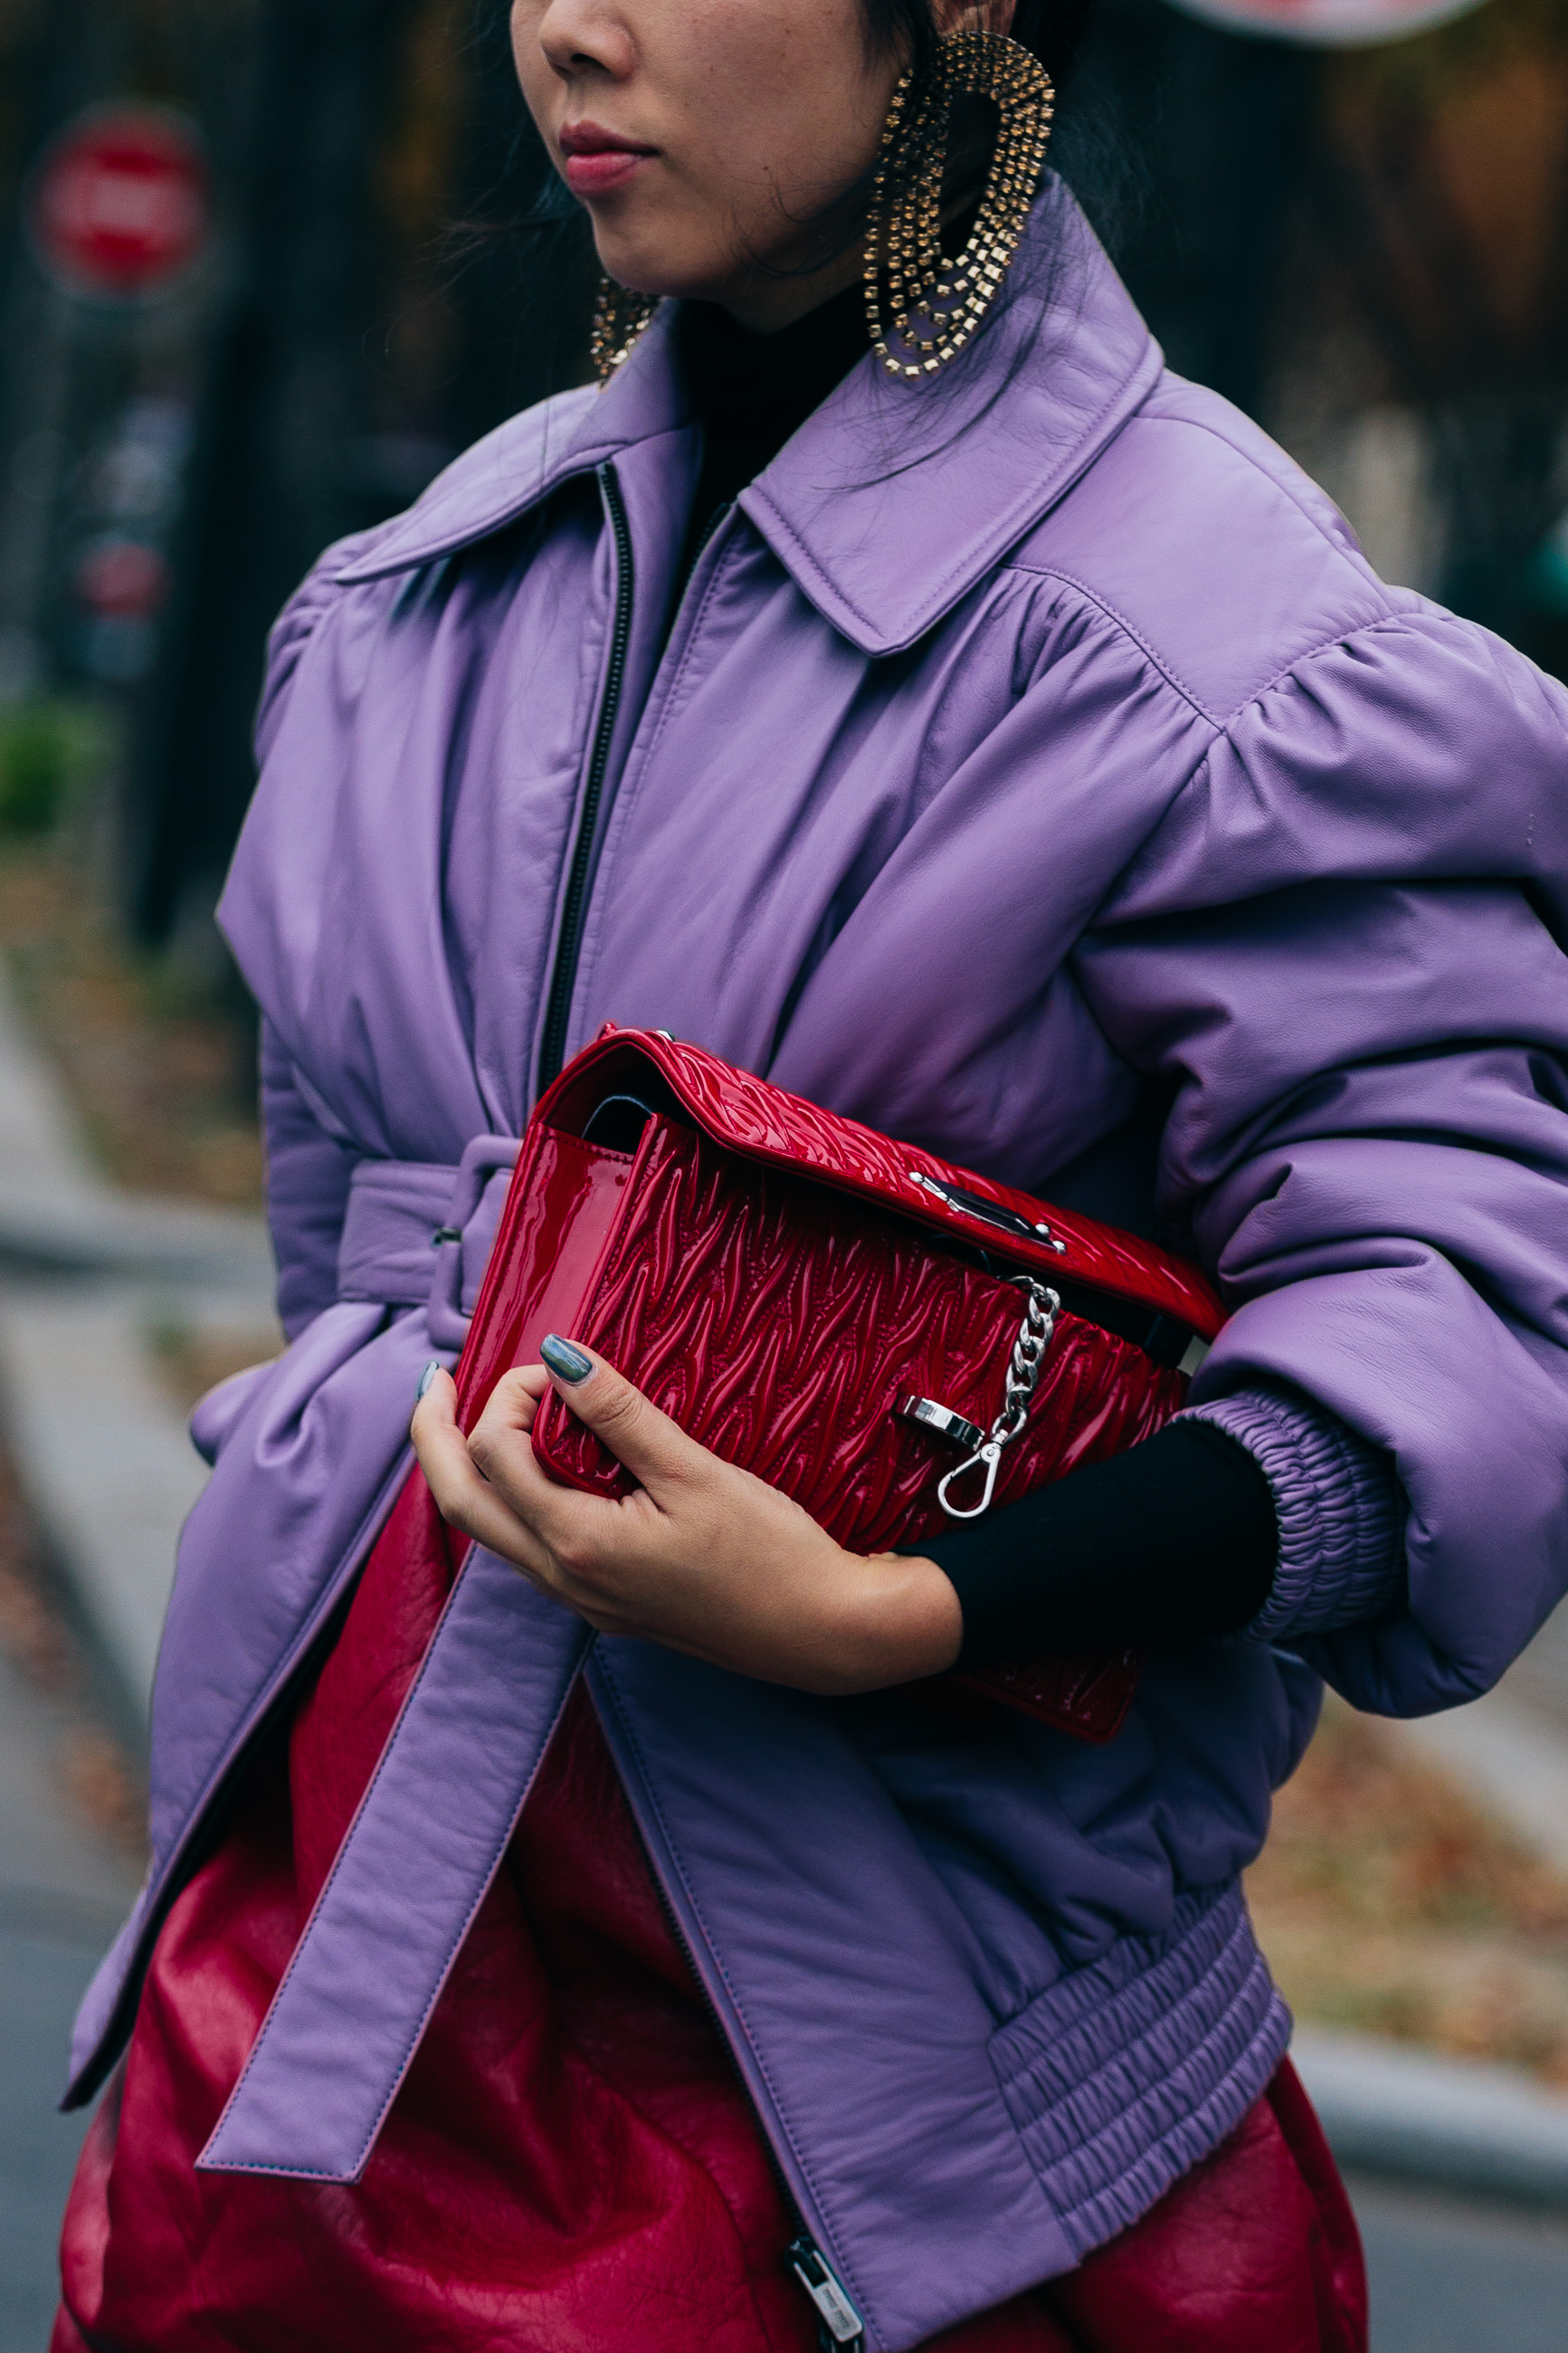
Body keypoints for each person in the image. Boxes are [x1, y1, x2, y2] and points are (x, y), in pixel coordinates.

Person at [51, 0, 1568, 2337]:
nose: (567, 24)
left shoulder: (1227, 658)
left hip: (888, 2131)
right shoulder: (405, 612)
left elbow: (1453, 1353)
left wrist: (919, 1609)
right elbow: (334, 1277)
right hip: (310, 2020)